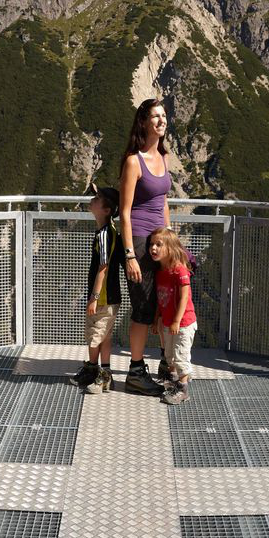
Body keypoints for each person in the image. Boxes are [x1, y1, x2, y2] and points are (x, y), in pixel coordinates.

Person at [118, 98, 173, 396]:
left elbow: (163, 203)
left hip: (160, 243)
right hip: (139, 243)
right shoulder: (133, 161)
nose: (162, 121)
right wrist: (129, 255)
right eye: (155, 116)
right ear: (143, 122)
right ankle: (136, 372)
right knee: (142, 307)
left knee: (163, 304)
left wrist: (170, 239)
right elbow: (124, 213)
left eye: (164, 115)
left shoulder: (164, 157)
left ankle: (166, 363)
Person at [72, 185, 125, 394]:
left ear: (106, 210)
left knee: (94, 336)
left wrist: (93, 298)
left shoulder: (104, 234)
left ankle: (96, 372)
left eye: (97, 199)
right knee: (105, 336)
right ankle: (103, 373)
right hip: (110, 295)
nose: (92, 200)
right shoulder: (109, 229)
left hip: (103, 297)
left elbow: (103, 267)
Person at [147, 227, 197, 406]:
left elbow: (184, 297)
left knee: (181, 356)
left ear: (171, 248)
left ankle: (183, 391)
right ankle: (175, 382)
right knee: (169, 356)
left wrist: (176, 320)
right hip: (168, 322)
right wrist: (156, 320)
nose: (153, 248)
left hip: (183, 323)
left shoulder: (180, 270)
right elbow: (161, 299)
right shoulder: (160, 272)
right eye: (151, 244)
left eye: (159, 244)